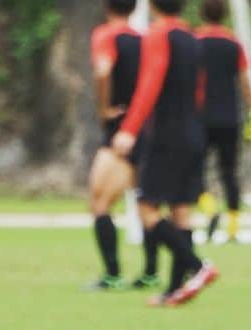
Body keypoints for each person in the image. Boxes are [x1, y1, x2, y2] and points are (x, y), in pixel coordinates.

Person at [112, 0, 218, 307]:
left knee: (146, 207)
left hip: (167, 134)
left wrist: (129, 129)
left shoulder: (158, 34)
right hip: (193, 131)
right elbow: (199, 91)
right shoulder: (191, 37)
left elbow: (150, 83)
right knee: (181, 211)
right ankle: (175, 289)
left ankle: (198, 266)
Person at [86, 0, 160, 290]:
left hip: (120, 129)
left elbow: (103, 71)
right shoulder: (144, 40)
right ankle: (151, 272)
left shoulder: (105, 35)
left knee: (100, 202)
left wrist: (103, 108)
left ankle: (112, 273)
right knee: (147, 202)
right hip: (147, 127)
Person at [195, 0, 251, 243]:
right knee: (229, 172)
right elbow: (244, 80)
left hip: (200, 117)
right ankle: (233, 228)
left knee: (194, 169)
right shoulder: (234, 43)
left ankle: (210, 209)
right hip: (229, 117)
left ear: (202, 14)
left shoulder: (195, 41)